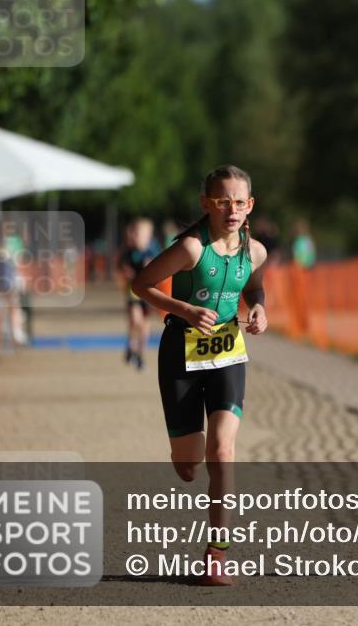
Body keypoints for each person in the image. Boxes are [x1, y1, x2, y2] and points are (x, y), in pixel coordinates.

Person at [131, 165, 268, 586]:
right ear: (206, 204)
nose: (231, 209)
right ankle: (187, 449)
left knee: (223, 451)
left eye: (239, 202)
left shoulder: (255, 249)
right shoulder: (191, 249)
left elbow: (254, 283)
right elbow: (142, 284)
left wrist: (259, 307)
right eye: (222, 201)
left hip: (228, 353)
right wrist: (185, 309)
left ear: (250, 206)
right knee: (190, 466)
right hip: (181, 354)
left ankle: (217, 554)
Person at [118, 218, 160, 370]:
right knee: (135, 320)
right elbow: (122, 266)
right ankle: (130, 345)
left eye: (144, 234)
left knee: (144, 326)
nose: (139, 237)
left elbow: (158, 267)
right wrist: (127, 272)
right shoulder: (129, 251)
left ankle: (140, 355)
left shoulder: (152, 251)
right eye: (137, 234)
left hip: (148, 290)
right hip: (134, 290)